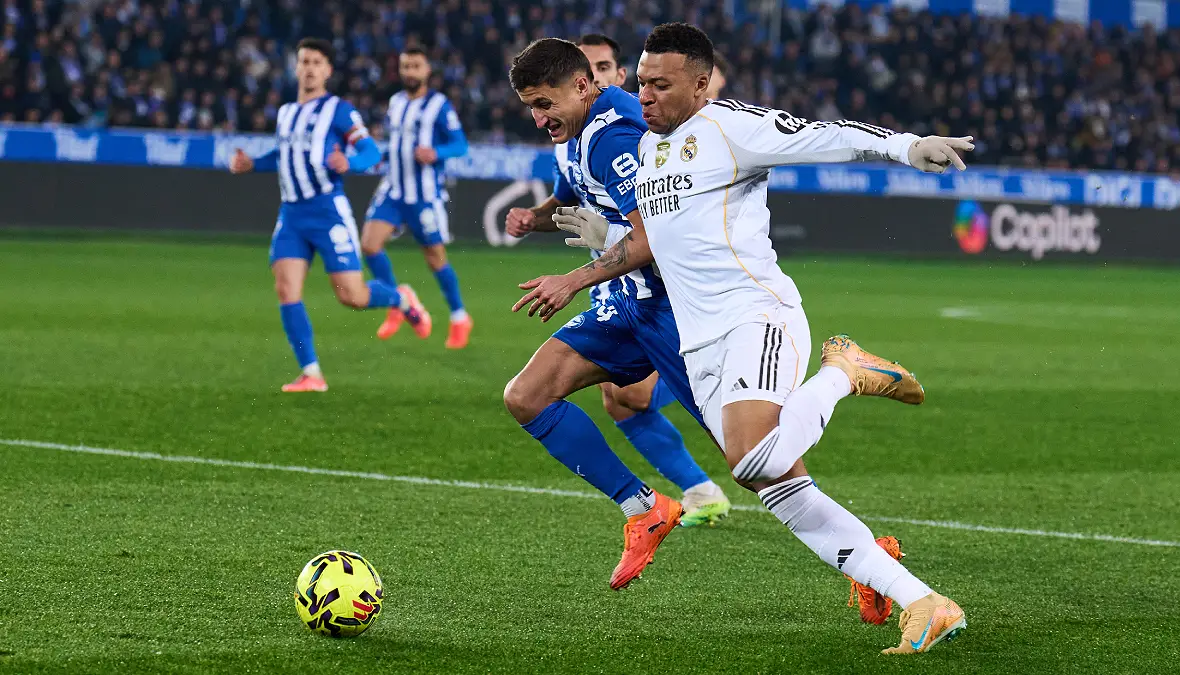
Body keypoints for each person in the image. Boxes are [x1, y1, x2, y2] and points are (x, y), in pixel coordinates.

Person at [518, 23, 975, 654]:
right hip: (699, 341)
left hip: (755, 315)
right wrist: (601, 244)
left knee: (752, 458)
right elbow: (654, 237)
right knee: (776, 485)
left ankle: (845, 372)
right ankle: (922, 601)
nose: (642, 95)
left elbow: (824, 137)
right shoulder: (649, 150)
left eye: (660, 84)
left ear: (701, 85)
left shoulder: (730, 129)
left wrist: (907, 146)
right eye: (641, 82)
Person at [503, 37, 745, 590]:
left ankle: (868, 556)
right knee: (526, 395)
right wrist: (534, 219)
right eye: (531, 108)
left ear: (584, 86)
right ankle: (645, 507)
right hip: (622, 303)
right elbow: (571, 199)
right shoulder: (576, 137)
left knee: (752, 460)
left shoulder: (614, 137)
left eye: (546, 105)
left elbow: (654, 234)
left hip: (671, 309)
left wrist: (573, 277)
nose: (539, 119)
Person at [229, 37, 430, 392]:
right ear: (296, 67)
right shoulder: (287, 112)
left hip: (327, 212)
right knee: (286, 289)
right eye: (304, 61)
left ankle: (401, 298)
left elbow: (370, 152)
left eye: (317, 62)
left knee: (351, 296)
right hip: (291, 215)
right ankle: (312, 373)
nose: (309, 68)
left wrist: (349, 162)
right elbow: (284, 155)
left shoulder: (338, 110)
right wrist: (252, 165)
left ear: (328, 70)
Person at [364, 46, 473, 349]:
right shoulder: (395, 102)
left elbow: (460, 145)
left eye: (415, 66)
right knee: (369, 245)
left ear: (427, 71)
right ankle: (398, 303)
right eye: (405, 66)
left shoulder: (439, 105)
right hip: (393, 190)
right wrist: (381, 156)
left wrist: (436, 152)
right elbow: (395, 142)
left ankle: (459, 316)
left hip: (424, 195)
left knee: (435, 259)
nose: (409, 72)